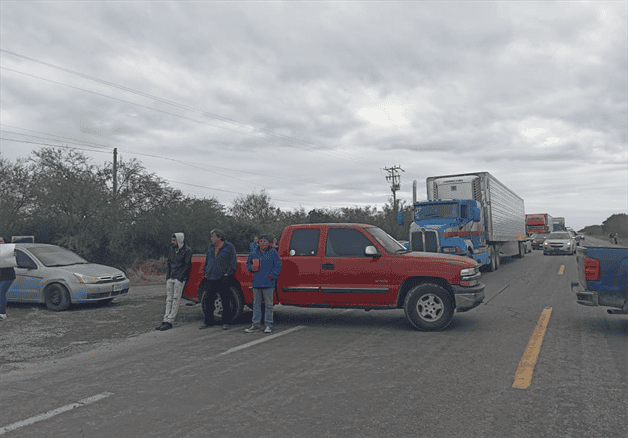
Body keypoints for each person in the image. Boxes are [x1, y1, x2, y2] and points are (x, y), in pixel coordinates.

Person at [199, 229, 237, 330]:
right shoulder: (210, 247)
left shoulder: (229, 247)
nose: (211, 238)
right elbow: (207, 260)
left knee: (225, 300)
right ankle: (208, 321)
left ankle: (226, 322)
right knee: (208, 300)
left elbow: (233, 263)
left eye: (213, 236)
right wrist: (205, 271)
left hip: (223, 278)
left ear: (219, 237)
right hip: (210, 277)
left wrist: (227, 274)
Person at [244, 235, 282, 334]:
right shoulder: (254, 252)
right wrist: (251, 267)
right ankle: (255, 325)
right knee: (256, 305)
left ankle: (268, 325)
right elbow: (248, 263)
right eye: (261, 241)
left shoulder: (273, 252)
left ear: (268, 243)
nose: (262, 243)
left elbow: (278, 265)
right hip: (257, 282)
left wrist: (272, 275)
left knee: (268, 305)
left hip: (268, 283)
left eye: (264, 241)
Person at [156, 233, 193, 331]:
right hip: (171, 277)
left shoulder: (187, 250)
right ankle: (165, 319)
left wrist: (180, 278)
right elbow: (168, 263)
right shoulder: (171, 249)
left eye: (175, 240)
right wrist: (168, 276)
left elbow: (187, 265)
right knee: (169, 299)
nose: (173, 242)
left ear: (180, 240)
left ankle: (170, 321)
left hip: (179, 278)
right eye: (173, 240)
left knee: (176, 299)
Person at [0, 243, 18, 321]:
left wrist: (14, 256)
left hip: (8, 276)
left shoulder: (8, 251)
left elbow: (15, 262)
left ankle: (2, 313)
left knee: (1, 293)